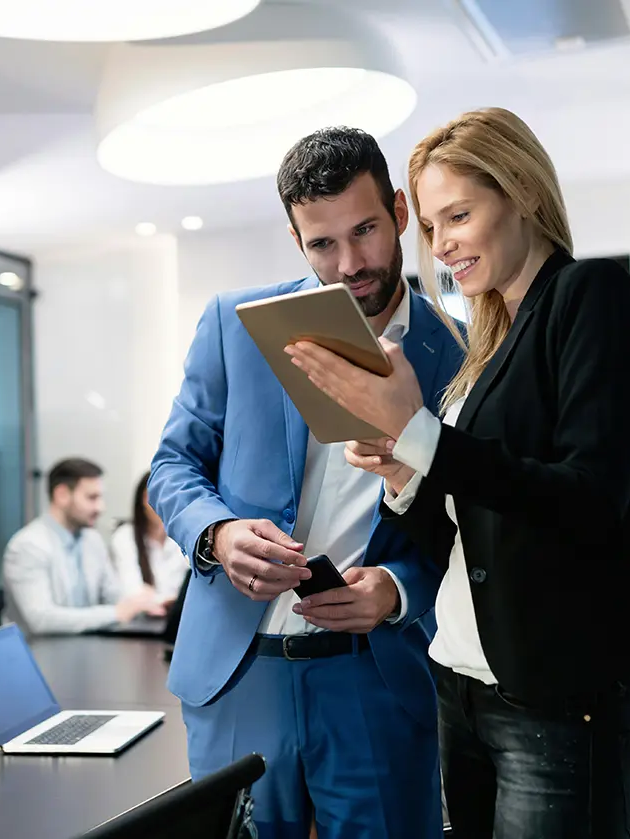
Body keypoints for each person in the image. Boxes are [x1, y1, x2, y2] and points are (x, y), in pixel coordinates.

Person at [286, 108, 630, 839]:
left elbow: (590, 500)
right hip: (465, 681)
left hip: (560, 691)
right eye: (433, 229)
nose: (442, 247)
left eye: (460, 216)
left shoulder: (591, 297)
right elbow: (468, 527)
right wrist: (401, 470)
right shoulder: (487, 338)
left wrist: (418, 433)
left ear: (524, 195)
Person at [148, 127, 464, 839]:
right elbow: (172, 465)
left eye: (366, 231)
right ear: (296, 239)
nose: (351, 262)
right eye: (323, 244)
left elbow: (470, 519)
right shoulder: (234, 324)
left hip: (374, 677)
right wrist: (218, 531)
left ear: (400, 211)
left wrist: (399, 587)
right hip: (238, 672)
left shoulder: (459, 354)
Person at [4, 458, 164, 636]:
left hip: (87, 647)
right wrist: (116, 613)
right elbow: (41, 618)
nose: (100, 507)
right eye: (92, 498)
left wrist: (142, 603)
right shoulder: (28, 546)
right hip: (40, 653)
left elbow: (113, 596)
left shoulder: (92, 540)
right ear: (62, 495)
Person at [111, 471, 187, 605]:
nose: (160, 504)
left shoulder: (182, 536)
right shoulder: (125, 536)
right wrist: (164, 600)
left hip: (177, 616)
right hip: (141, 620)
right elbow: (132, 591)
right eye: (152, 497)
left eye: (167, 496)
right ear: (140, 502)